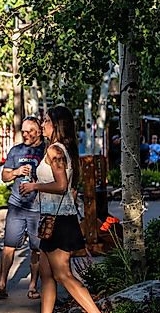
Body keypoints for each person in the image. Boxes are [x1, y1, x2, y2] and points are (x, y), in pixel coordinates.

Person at [20, 106, 101, 313]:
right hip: (52, 219)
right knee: (47, 276)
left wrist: (34, 186)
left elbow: (62, 185)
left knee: (63, 274)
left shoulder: (55, 150)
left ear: (56, 125)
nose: (42, 124)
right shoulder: (62, 149)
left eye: (46, 120)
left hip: (59, 221)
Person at [0, 116, 45, 300]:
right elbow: (4, 176)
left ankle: (32, 287)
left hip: (38, 208)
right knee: (8, 246)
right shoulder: (16, 150)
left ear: (39, 131)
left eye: (30, 131)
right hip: (17, 205)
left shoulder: (46, 150)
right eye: (24, 131)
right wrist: (16, 172)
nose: (26, 134)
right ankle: (2, 284)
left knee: (36, 248)